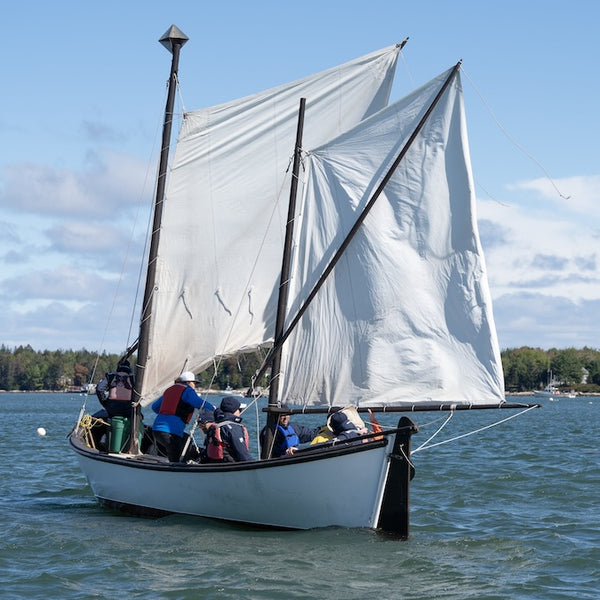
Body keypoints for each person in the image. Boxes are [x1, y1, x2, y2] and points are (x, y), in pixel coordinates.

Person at [151, 371, 215, 462]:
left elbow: (155, 407)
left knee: (187, 440)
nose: (194, 386)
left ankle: (183, 465)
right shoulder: (187, 390)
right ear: (188, 382)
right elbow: (199, 403)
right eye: (194, 383)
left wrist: (167, 412)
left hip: (157, 430)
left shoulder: (169, 390)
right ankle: (177, 471)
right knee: (175, 458)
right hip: (170, 432)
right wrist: (214, 409)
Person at [204, 396, 253, 463]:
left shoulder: (215, 426)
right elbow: (243, 454)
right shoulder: (233, 428)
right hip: (230, 466)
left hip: (214, 464)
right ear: (234, 411)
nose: (240, 412)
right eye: (239, 409)